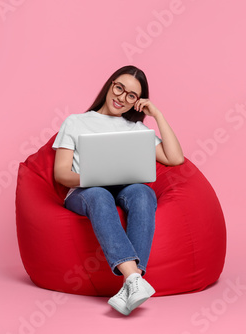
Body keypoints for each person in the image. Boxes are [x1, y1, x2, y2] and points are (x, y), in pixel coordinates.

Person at [52, 65, 184, 315]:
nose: (122, 98)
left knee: (143, 193)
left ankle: (130, 285)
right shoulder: (76, 122)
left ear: (137, 102)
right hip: (85, 193)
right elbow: (61, 174)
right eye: (120, 88)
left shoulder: (136, 130)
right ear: (110, 85)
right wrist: (96, 178)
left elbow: (174, 158)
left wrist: (157, 115)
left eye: (131, 95)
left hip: (123, 189)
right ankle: (135, 279)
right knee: (100, 194)